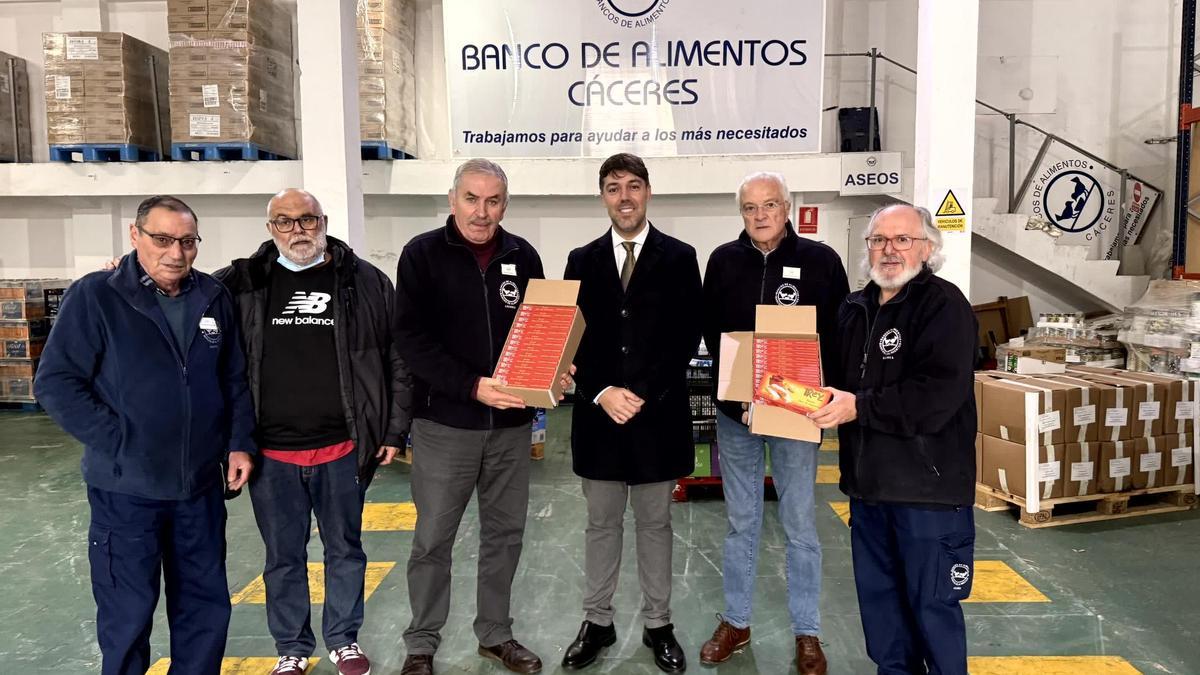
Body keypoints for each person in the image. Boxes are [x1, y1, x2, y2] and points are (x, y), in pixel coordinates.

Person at [34, 195, 256, 675]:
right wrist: (119, 442)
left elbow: (233, 379)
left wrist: (239, 442)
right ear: (135, 237)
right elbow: (56, 383)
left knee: (204, 607)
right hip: (126, 491)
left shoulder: (212, 297)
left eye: (188, 242)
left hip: (199, 487)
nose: (176, 253)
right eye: (162, 239)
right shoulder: (97, 296)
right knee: (128, 613)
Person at [212, 188, 412, 675]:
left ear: (323, 221)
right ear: (270, 229)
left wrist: (393, 429)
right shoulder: (238, 284)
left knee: (345, 548)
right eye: (285, 221)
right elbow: (175, 296)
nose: (298, 230)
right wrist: (124, 275)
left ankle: (344, 638)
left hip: (343, 447)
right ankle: (292, 648)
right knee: (283, 556)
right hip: (271, 454)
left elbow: (396, 359)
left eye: (307, 219)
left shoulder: (365, 281)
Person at [809, 203, 977, 675]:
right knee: (883, 616)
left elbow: (939, 395)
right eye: (879, 240)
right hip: (868, 490)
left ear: (927, 248)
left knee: (933, 612)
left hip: (927, 493)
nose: (889, 250)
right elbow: (835, 382)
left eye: (902, 239)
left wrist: (859, 406)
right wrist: (785, 394)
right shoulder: (854, 308)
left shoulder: (944, 306)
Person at [394, 159, 547, 675]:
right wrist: (471, 386)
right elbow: (410, 341)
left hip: (510, 428)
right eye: (472, 199)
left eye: (494, 200)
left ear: (506, 203)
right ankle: (421, 642)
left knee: (505, 535)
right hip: (445, 427)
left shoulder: (523, 256)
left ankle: (495, 634)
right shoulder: (422, 255)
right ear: (453, 198)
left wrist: (554, 367)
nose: (483, 212)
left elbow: (540, 331)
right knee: (434, 538)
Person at [699, 172, 848, 675]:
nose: (760, 215)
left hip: (795, 416)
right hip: (736, 417)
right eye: (750, 208)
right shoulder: (722, 261)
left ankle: (808, 632)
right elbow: (715, 334)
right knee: (742, 523)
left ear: (787, 208)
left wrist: (818, 398)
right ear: (740, 213)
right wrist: (740, 397)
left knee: (801, 525)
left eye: (769, 205)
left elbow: (835, 336)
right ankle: (737, 621)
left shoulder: (821, 262)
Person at [560, 153, 701, 673]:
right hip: (599, 419)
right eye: (614, 187)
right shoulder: (581, 259)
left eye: (634, 185)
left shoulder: (681, 257)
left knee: (655, 524)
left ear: (648, 192)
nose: (625, 196)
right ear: (603, 196)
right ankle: (597, 622)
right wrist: (601, 392)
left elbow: (686, 336)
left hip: (656, 416)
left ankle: (658, 624)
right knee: (600, 524)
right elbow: (573, 339)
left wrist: (637, 392)